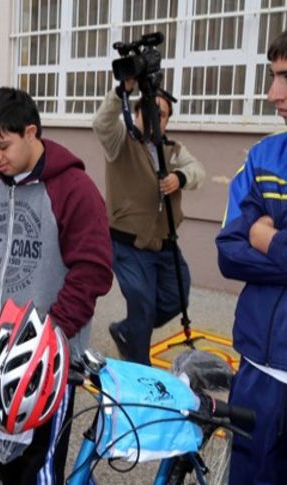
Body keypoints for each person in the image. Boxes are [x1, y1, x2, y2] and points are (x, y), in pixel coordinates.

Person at [0, 87, 113, 484]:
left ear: (31, 132)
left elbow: (93, 270)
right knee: (11, 468)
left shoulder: (74, 190)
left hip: (48, 367)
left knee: (41, 472)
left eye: (3, 146)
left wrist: (52, 336)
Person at [92, 78, 205, 366]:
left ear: (168, 120)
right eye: (151, 110)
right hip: (128, 243)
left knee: (178, 297)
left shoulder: (173, 148)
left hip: (165, 243)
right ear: (138, 113)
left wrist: (179, 178)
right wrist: (121, 92)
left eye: (163, 114)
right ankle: (140, 370)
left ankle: (128, 330)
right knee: (141, 302)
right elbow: (102, 123)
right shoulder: (121, 142)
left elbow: (197, 171)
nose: (157, 118)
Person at [216, 31, 287, 485]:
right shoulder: (263, 157)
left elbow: (251, 242)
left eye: (286, 78)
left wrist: (269, 238)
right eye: (273, 76)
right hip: (259, 373)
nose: (271, 93)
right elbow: (229, 252)